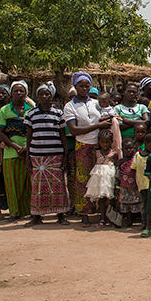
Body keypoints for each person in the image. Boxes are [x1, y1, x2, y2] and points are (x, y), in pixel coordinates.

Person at [65, 72, 109, 224]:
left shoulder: (94, 103)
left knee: (101, 178)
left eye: (87, 86)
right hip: (83, 145)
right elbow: (73, 130)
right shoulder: (70, 106)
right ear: (75, 87)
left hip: (100, 145)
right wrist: (98, 125)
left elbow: (101, 118)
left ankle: (101, 212)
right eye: (81, 86)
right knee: (83, 179)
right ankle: (84, 213)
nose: (84, 89)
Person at [23, 83, 70, 225]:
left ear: (51, 96)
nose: (44, 97)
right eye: (41, 94)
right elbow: (29, 137)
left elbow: (63, 136)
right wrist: (27, 158)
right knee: (37, 187)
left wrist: (65, 156)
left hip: (55, 155)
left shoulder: (58, 113)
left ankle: (61, 214)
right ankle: (37, 216)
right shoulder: (31, 114)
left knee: (59, 186)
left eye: (47, 94)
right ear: (37, 96)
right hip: (37, 157)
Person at [0, 80, 34, 220]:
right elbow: (0, 132)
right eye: (16, 91)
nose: (18, 93)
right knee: (12, 183)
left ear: (26, 93)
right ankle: (14, 211)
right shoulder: (5, 110)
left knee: (28, 183)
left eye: (21, 91)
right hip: (11, 151)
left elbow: (35, 129)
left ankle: (29, 211)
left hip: (29, 150)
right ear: (11, 93)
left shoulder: (31, 109)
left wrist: (27, 147)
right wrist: (16, 146)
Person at [85, 121, 122, 226]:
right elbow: (93, 164)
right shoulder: (96, 153)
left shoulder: (113, 154)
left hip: (110, 177)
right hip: (99, 178)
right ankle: (102, 217)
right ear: (99, 142)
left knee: (111, 197)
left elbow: (116, 166)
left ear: (111, 142)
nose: (105, 144)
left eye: (107, 142)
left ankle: (110, 216)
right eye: (102, 142)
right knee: (101, 198)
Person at [117, 137, 141, 227]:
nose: (129, 150)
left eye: (130, 148)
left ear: (134, 148)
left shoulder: (136, 159)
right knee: (126, 204)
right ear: (122, 149)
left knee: (136, 202)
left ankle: (138, 219)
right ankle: (129, 220)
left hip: (134, 185)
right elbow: (118, 174)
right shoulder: (121, 161)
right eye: (126, 148)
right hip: (124, 186)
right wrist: (117, 186)